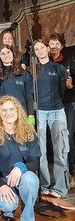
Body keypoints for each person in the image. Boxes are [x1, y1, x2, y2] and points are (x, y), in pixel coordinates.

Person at [0, 96, 40, 221]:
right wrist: (1, 185)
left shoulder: (29, 133)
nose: (8, 113)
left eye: (11, 109)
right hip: (1, 179)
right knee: (8, 204)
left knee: (31, 179)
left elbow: (34, 163)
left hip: (21, 176)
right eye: (3, 110)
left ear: (18, 111)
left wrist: (20, 167)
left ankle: (27, 218)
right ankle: (8, 209)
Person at [33, 39, 68, 198]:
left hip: (57, 110)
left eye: (42, 47)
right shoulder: (32, 70)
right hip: (40, 111)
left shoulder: (59, 68)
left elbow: (62, 90)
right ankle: (44, 184)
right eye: (36, 49)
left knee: (60, 149)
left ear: (47, 49)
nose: (40, 50)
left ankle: (60, 187)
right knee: (40, 150)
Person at [48, 32, 75, 187]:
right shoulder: (45, 62)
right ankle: (55, 172)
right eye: (52, 43)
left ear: (62, 46)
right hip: (51, 104)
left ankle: (69, 172)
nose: (54, 46)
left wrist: (71, 86)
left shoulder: (69, 61)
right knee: (53, 140)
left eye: (57, 43)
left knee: (68, 138)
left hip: (68, 102)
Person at [0, 44, 34, 117]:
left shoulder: (24, 74)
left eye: (8, 52)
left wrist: (31, 117)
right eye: (3, 54)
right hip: (4, 115)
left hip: (22, 114)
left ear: (13, 53)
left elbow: (29, 97)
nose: (6, 55)